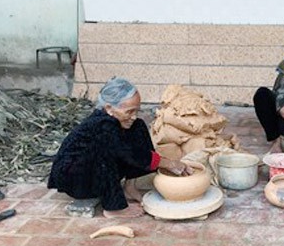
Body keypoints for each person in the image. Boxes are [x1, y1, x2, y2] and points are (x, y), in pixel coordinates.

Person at [47, 77, 190, 218]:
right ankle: (113, 207)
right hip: (76, 179)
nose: (133, 116)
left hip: (92, 170)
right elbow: (130, 154)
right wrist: (168, 163)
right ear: (109, 108)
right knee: (105, 152)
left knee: (138, 126)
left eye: (136, 111)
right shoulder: (102, 125)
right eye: (129, 111)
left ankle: (130, 187)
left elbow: (132, 151)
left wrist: (160, 162)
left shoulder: (114, 121)